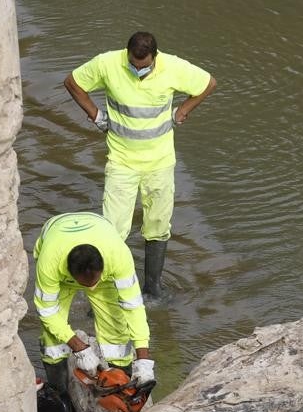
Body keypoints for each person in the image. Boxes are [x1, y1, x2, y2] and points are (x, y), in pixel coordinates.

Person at [63, 31, 217, 299]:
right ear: (127, 54)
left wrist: (183, 110)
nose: (137, 69)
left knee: (158, 224)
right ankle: (111, 291)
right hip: (121, 161)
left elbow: (208, 83)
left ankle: (153, 288)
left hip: (159, 162)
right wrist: (97, 116)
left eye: (143, 66)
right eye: (133, 64)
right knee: (112, 229)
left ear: (154, 58)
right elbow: (73, 82)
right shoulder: (107, 64)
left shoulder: (173, 67)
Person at [32, 212, 154, 395]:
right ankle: (60, 396)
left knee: (117, 331)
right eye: (86, 284)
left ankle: (121, 388)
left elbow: (133, 307)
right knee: (52, 342)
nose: (92, 287)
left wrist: (144, 360)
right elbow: (47, 311)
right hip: (56, 235)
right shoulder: (49, 262)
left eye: (95, 281)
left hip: (101, 233)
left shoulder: (118, 256)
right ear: (70, 274)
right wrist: (79, 348)